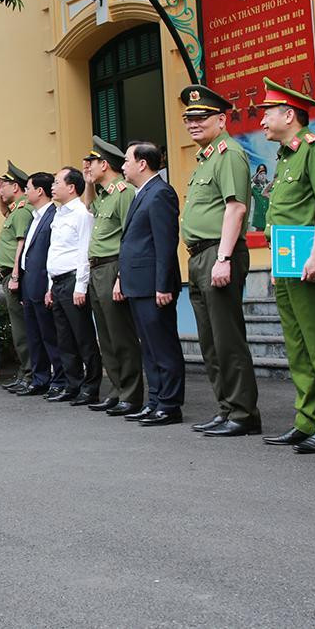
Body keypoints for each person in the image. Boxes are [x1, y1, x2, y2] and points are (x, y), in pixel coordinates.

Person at [255, 79, 315, 454]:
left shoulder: (314, 148)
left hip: (309, 262)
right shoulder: (285, 155)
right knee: (297, 345)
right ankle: (306, 418)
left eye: (267, 112)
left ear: (288, 115)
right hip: (286, 263)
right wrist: (276, 264)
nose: (262, 121)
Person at [179, 84, 261, 437]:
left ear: (221, 119)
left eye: (201, 117)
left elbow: (236, 207)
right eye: (188, 118)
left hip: (218, 253)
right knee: (210, 340)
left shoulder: (229, 154)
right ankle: (226, 407)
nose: (193, 123)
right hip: (200, 256)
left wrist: (224, 257)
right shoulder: (205, 159)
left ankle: (243, 412)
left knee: (227, 338)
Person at [115, 141, 185, 426]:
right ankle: (155, 399)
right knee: (149, 346)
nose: (123, 166)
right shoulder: (142, 193)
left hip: (154, 286)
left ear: (142, 163)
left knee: (163, 345)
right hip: (138, 284)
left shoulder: (160, 193)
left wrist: (163, 285)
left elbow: (165, 244)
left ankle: (169, 404)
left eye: (127, 160)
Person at [82, 138, 144, 415]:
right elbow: (87, 207)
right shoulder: (103, 195)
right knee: (105, 335)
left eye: (91, 163)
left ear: (104, 164)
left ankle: (131, 394)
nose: (87, 167)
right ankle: (117, 389)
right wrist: (87, 182)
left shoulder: (123, 193)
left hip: (112, 266)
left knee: (121, 335)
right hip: (96, 268)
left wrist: (121, 276)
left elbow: (129, 237)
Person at [45, 166, 101, 405]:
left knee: (83, 337)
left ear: (71, 187)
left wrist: (81, 286)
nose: (52, 186)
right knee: (64, 338)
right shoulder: (59, 214)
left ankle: (91, 387)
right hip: (57, 282)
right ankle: (73, 383)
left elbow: (83, 251)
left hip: (72, 281)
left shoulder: (81, 214)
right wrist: (49, 286)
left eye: (57, 182)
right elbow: (54, 252)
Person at [17, 172, 65, 397]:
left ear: (39, 191)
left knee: (50, 335)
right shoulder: (34, 216)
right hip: (29, 282)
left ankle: (60, 379)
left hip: (43, 282)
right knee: (34, 334)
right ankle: (40, 378)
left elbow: (52, 252)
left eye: (27, 188)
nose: (25, 192)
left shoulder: (53, 215)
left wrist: (49, 286)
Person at [0, 162, 34, 392]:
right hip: (8, 275)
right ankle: (25, 371)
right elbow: (3, 211)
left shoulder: (22, 210)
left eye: (4, 186)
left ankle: (29, 373)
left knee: (21, 329)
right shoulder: (15, 210)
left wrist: (16, 273)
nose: (0, 190)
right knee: (18, 328)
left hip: (14, 276)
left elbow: (21, 244)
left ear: (15, 187)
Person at [250, 165, 271, 233]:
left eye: (264, 172)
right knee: (258, 238)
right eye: (260, 172)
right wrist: (254, 177)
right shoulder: (254, 188)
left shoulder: (270, 185)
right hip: (258, 218)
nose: (262, 175)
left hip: (268, 217)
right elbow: (247, 187)